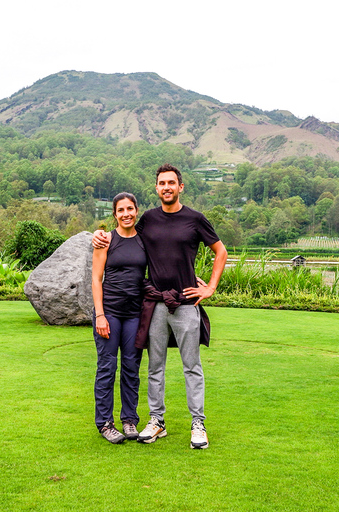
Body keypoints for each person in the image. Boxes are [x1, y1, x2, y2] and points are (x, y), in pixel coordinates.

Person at [93, 164, 228, 449]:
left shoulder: (195, 219)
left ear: (180, 187)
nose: (166, 187)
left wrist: (211, 287)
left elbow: (221, 251)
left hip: (186, 303)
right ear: (156, 188)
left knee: (191, 366)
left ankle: (198, 423)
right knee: (155, 366)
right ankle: (157, 421)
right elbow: (123, 233)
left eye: (171, 183)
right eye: (161, 183)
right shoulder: (148, 220)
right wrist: (97, 235)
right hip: (154, 305)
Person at [91, 192, 146, 444]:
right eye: (121, 210)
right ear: (114, 214)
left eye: (130, 209)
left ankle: (129, 420)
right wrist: (100, 315)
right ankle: (105, 423)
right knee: (107, 367)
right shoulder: (106, 241)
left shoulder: (144, 240)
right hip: (109, 313)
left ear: (136, 211)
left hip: (134, 314)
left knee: (131, 369)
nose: (126, 213)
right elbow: (96, 278)